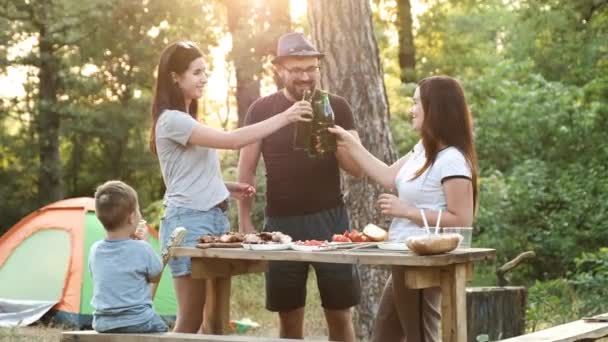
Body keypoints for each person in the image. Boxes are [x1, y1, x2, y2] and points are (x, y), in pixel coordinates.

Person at [149, 41, 311, 333]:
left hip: (212, 219)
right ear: (175, 77)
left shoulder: (186, 120)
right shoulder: (171, 121)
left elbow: (186, 175)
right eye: (197, 72)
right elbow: (233, 140)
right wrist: (286, 116)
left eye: (205, 72)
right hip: (187, 223)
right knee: (191, 320)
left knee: (215, 320)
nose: (204, 78)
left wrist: (223, 187)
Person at [329, 76, 479, 342]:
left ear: (436, 108)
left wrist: (406, 210)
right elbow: (387, 176)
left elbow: (462, 218)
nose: (411, 109)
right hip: (405, 256)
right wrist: (348, 141)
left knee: (420, 335)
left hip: (424, 262)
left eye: (416, 103)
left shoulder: (453, 160)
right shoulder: (423, 149)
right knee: (385, 334)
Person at [237, 32, 363, 342]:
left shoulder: (338, 106)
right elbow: (246, 168)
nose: (305, 76)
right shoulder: (261, 110)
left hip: (332, 222)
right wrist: (244, 220)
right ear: (279, 69)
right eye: (296, 70)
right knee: (289, 317)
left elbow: (356, 169)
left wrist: (336, 139)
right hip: (281, 224)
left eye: (311, 68)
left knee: (339, 314)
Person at [89, 180, 168, 333]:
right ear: (132, 218)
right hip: (139, 320)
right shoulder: (142, 248)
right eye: (138, 210)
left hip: (103, 322)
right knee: (162, 328)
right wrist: (146, 243)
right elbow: (156, 276)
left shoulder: (95, 250)